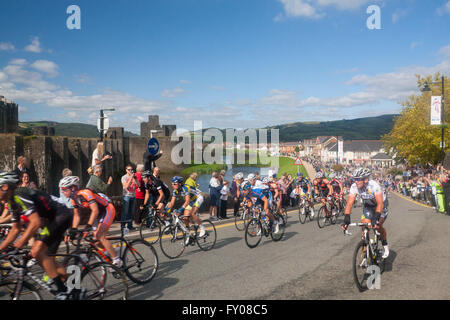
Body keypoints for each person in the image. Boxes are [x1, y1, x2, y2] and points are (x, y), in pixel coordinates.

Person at [0, 172, 76, 299]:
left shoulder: (19, 194)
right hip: (53, 219)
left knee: (36, 250)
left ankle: (62, 290)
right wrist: (1, 249)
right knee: (45, 258)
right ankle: (75, 288)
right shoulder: (12, 201)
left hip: (61, 215)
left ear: (5, 187)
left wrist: (18, 245)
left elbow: (35, 222)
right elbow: (16, 228)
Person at [60, 176, 122, 268]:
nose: (62, 192)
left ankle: (117, 259)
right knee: (95, 240)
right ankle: (112, 250)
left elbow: (95, 210)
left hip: (107, 209)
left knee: (100, 235)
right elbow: (77, 215)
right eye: (62, 190)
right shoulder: (74, 199)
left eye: (64, 189)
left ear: (73, 188)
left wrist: (88, 225)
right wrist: (73, 230)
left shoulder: (85, 193)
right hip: (99, 214)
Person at [342, 168, 389, 259]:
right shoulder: (354, 187)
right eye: (354, 179)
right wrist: (346, 218)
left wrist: (376, 218)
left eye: (358, 179)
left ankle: (385, 244)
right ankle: (365, 251)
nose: (355, 181)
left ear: (365, 179)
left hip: (381, 206)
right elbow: (349, 203)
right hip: (368, 206)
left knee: (377, 226)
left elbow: (380, 204)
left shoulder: (374, 186)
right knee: (365, 225)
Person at [165, 176, 206, 245]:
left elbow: (186, 201)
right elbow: (172, 203)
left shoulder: (185, 188)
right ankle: (189, 236)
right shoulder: (175, 191)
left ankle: (202, 228)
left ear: (180, 184)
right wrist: (166, 211)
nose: (172, 185)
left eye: (174, 184)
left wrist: (180, 210)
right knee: (185, 218)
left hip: (198, 198)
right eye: (172, 184)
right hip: (191, 201)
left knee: (193, 213)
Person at [121, 165, 140, 231]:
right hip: (126, 196)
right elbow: (126, 186)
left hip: (133, 196)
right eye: (129, 169)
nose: (130, 171)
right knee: (125, 212)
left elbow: (138, 185)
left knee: (131, 212)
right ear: (126, 170)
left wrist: (135, 179)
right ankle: (123, 226)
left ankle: (130, 226)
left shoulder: (134, 177)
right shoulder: (124, 177)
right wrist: (131, 178)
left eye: (131, 169)